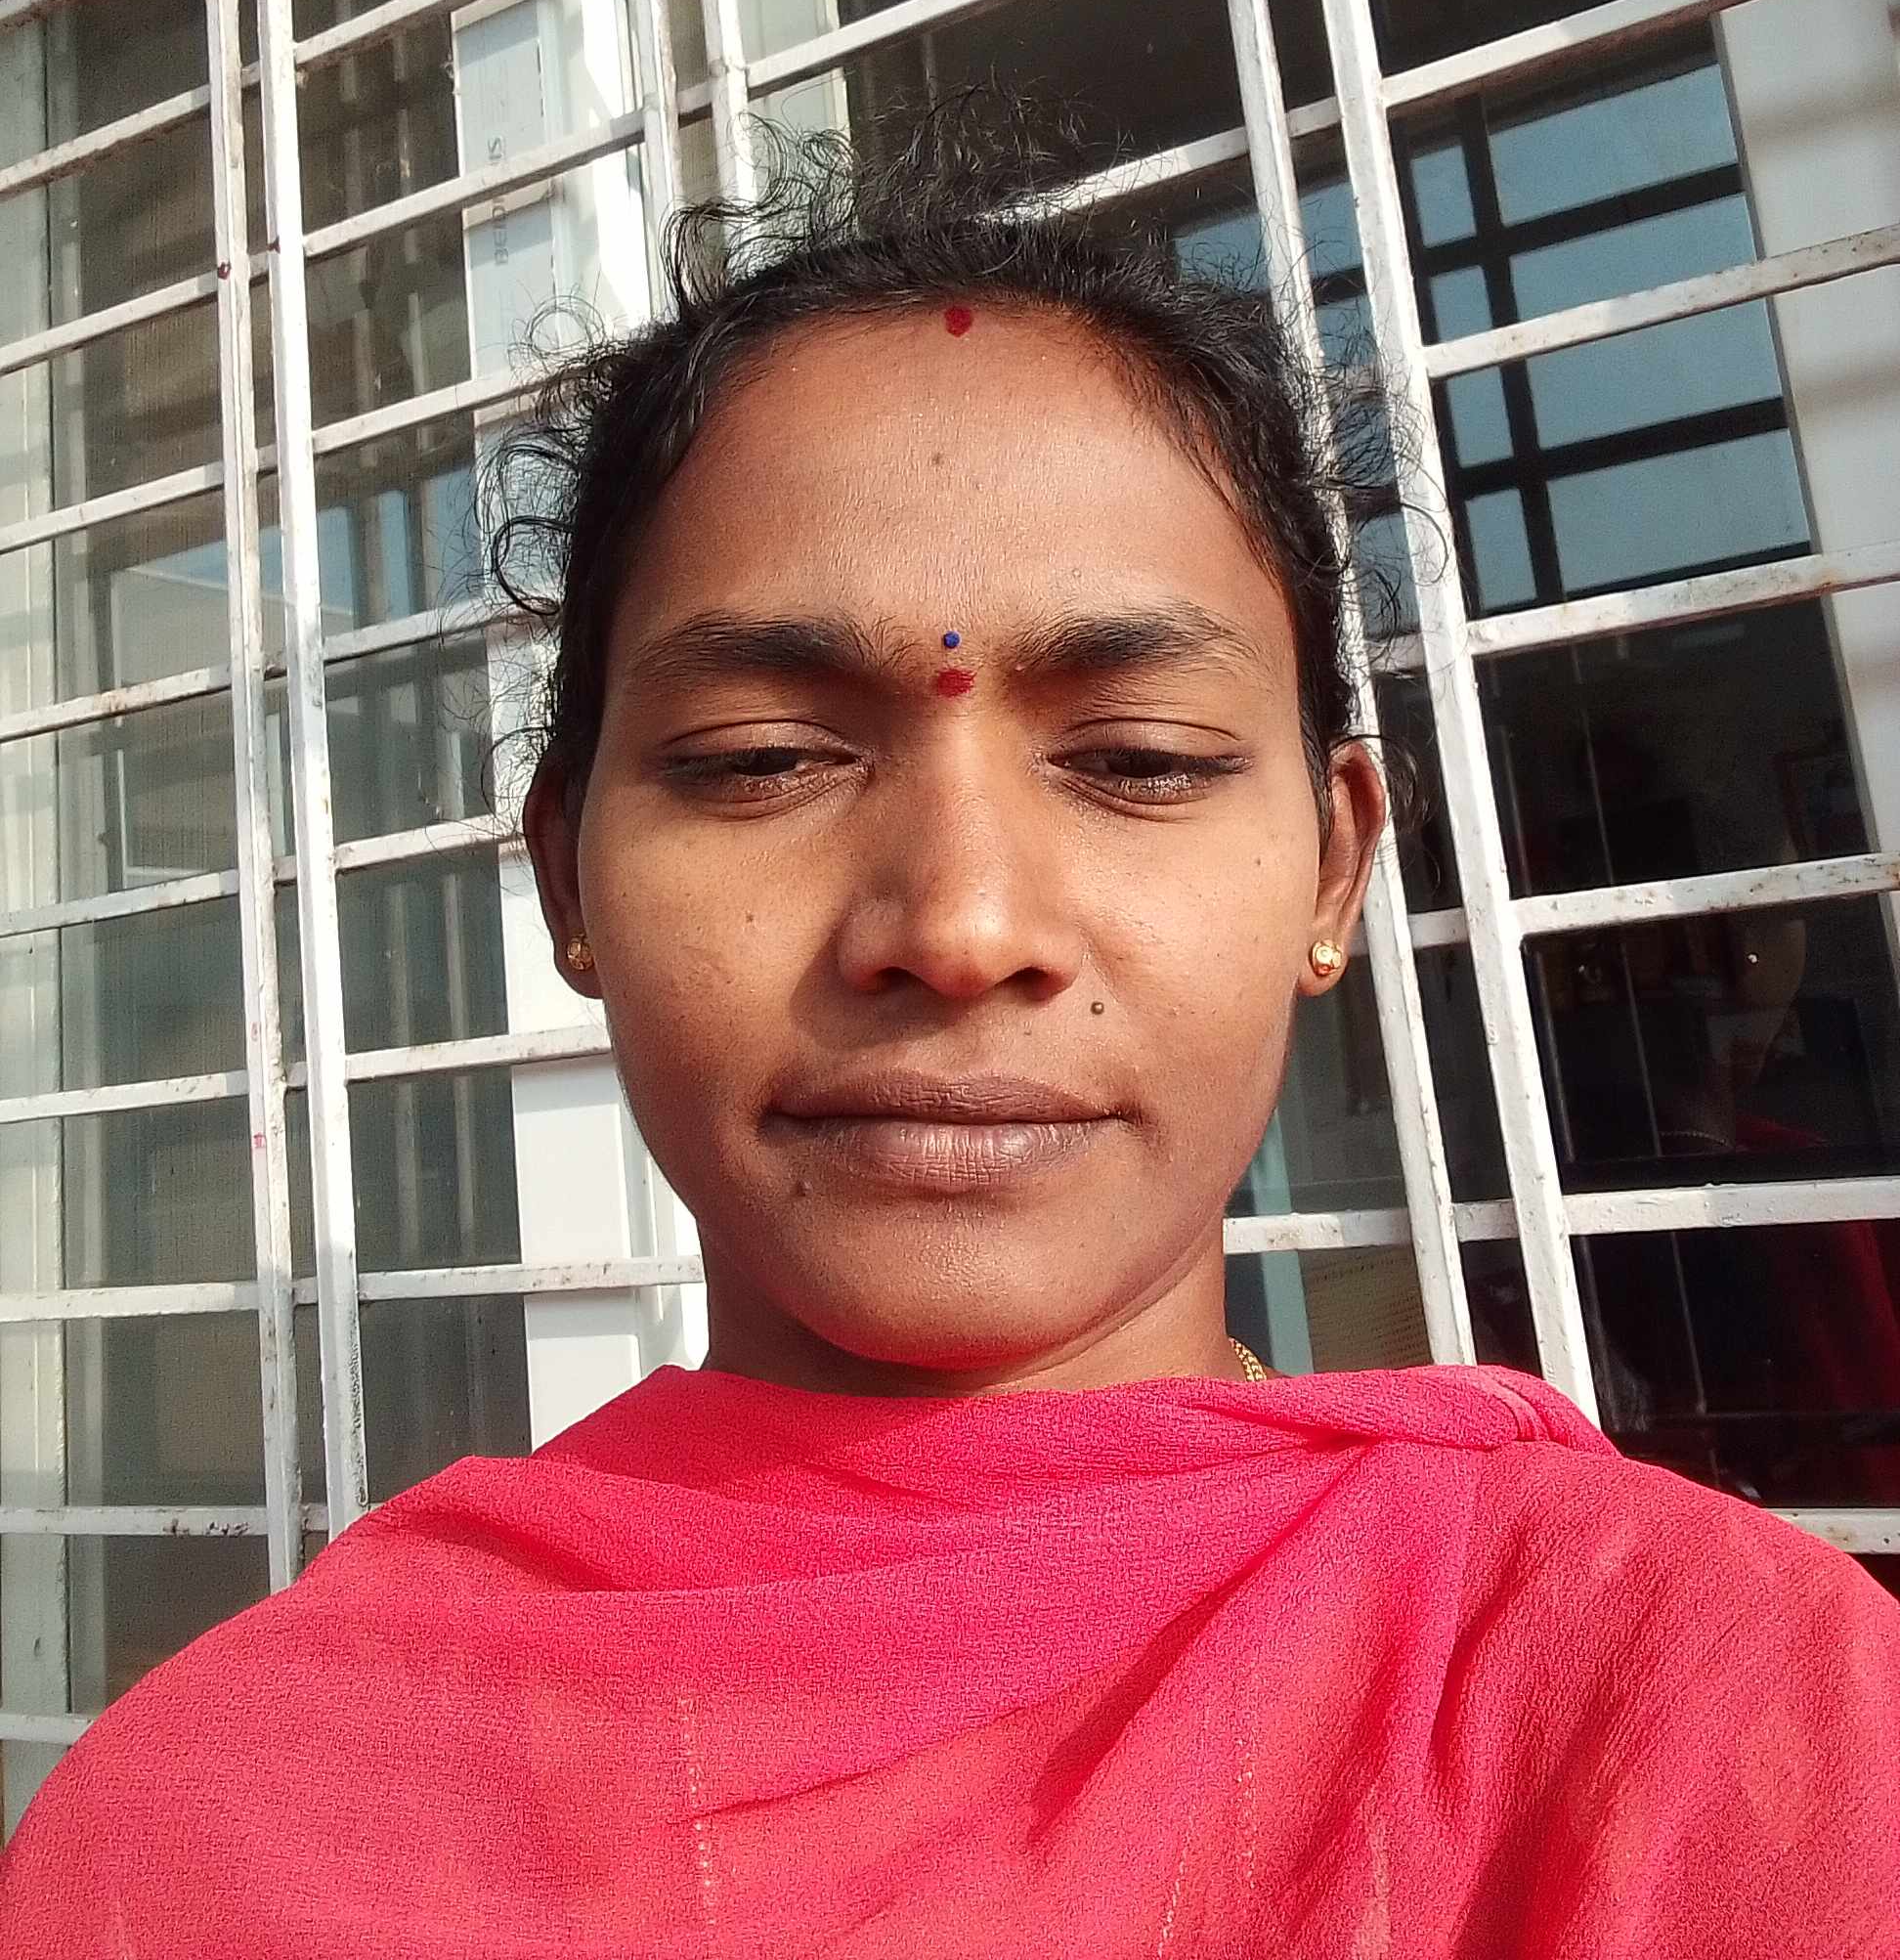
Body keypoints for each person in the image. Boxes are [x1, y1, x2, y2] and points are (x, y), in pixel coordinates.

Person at [4, 103, 1896, 1956]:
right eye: (762, 759)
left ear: (1334, 868)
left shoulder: (1701, 1723)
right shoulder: (226, 1825)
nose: (963, 927)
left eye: (1141, 760)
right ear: (568, 874)